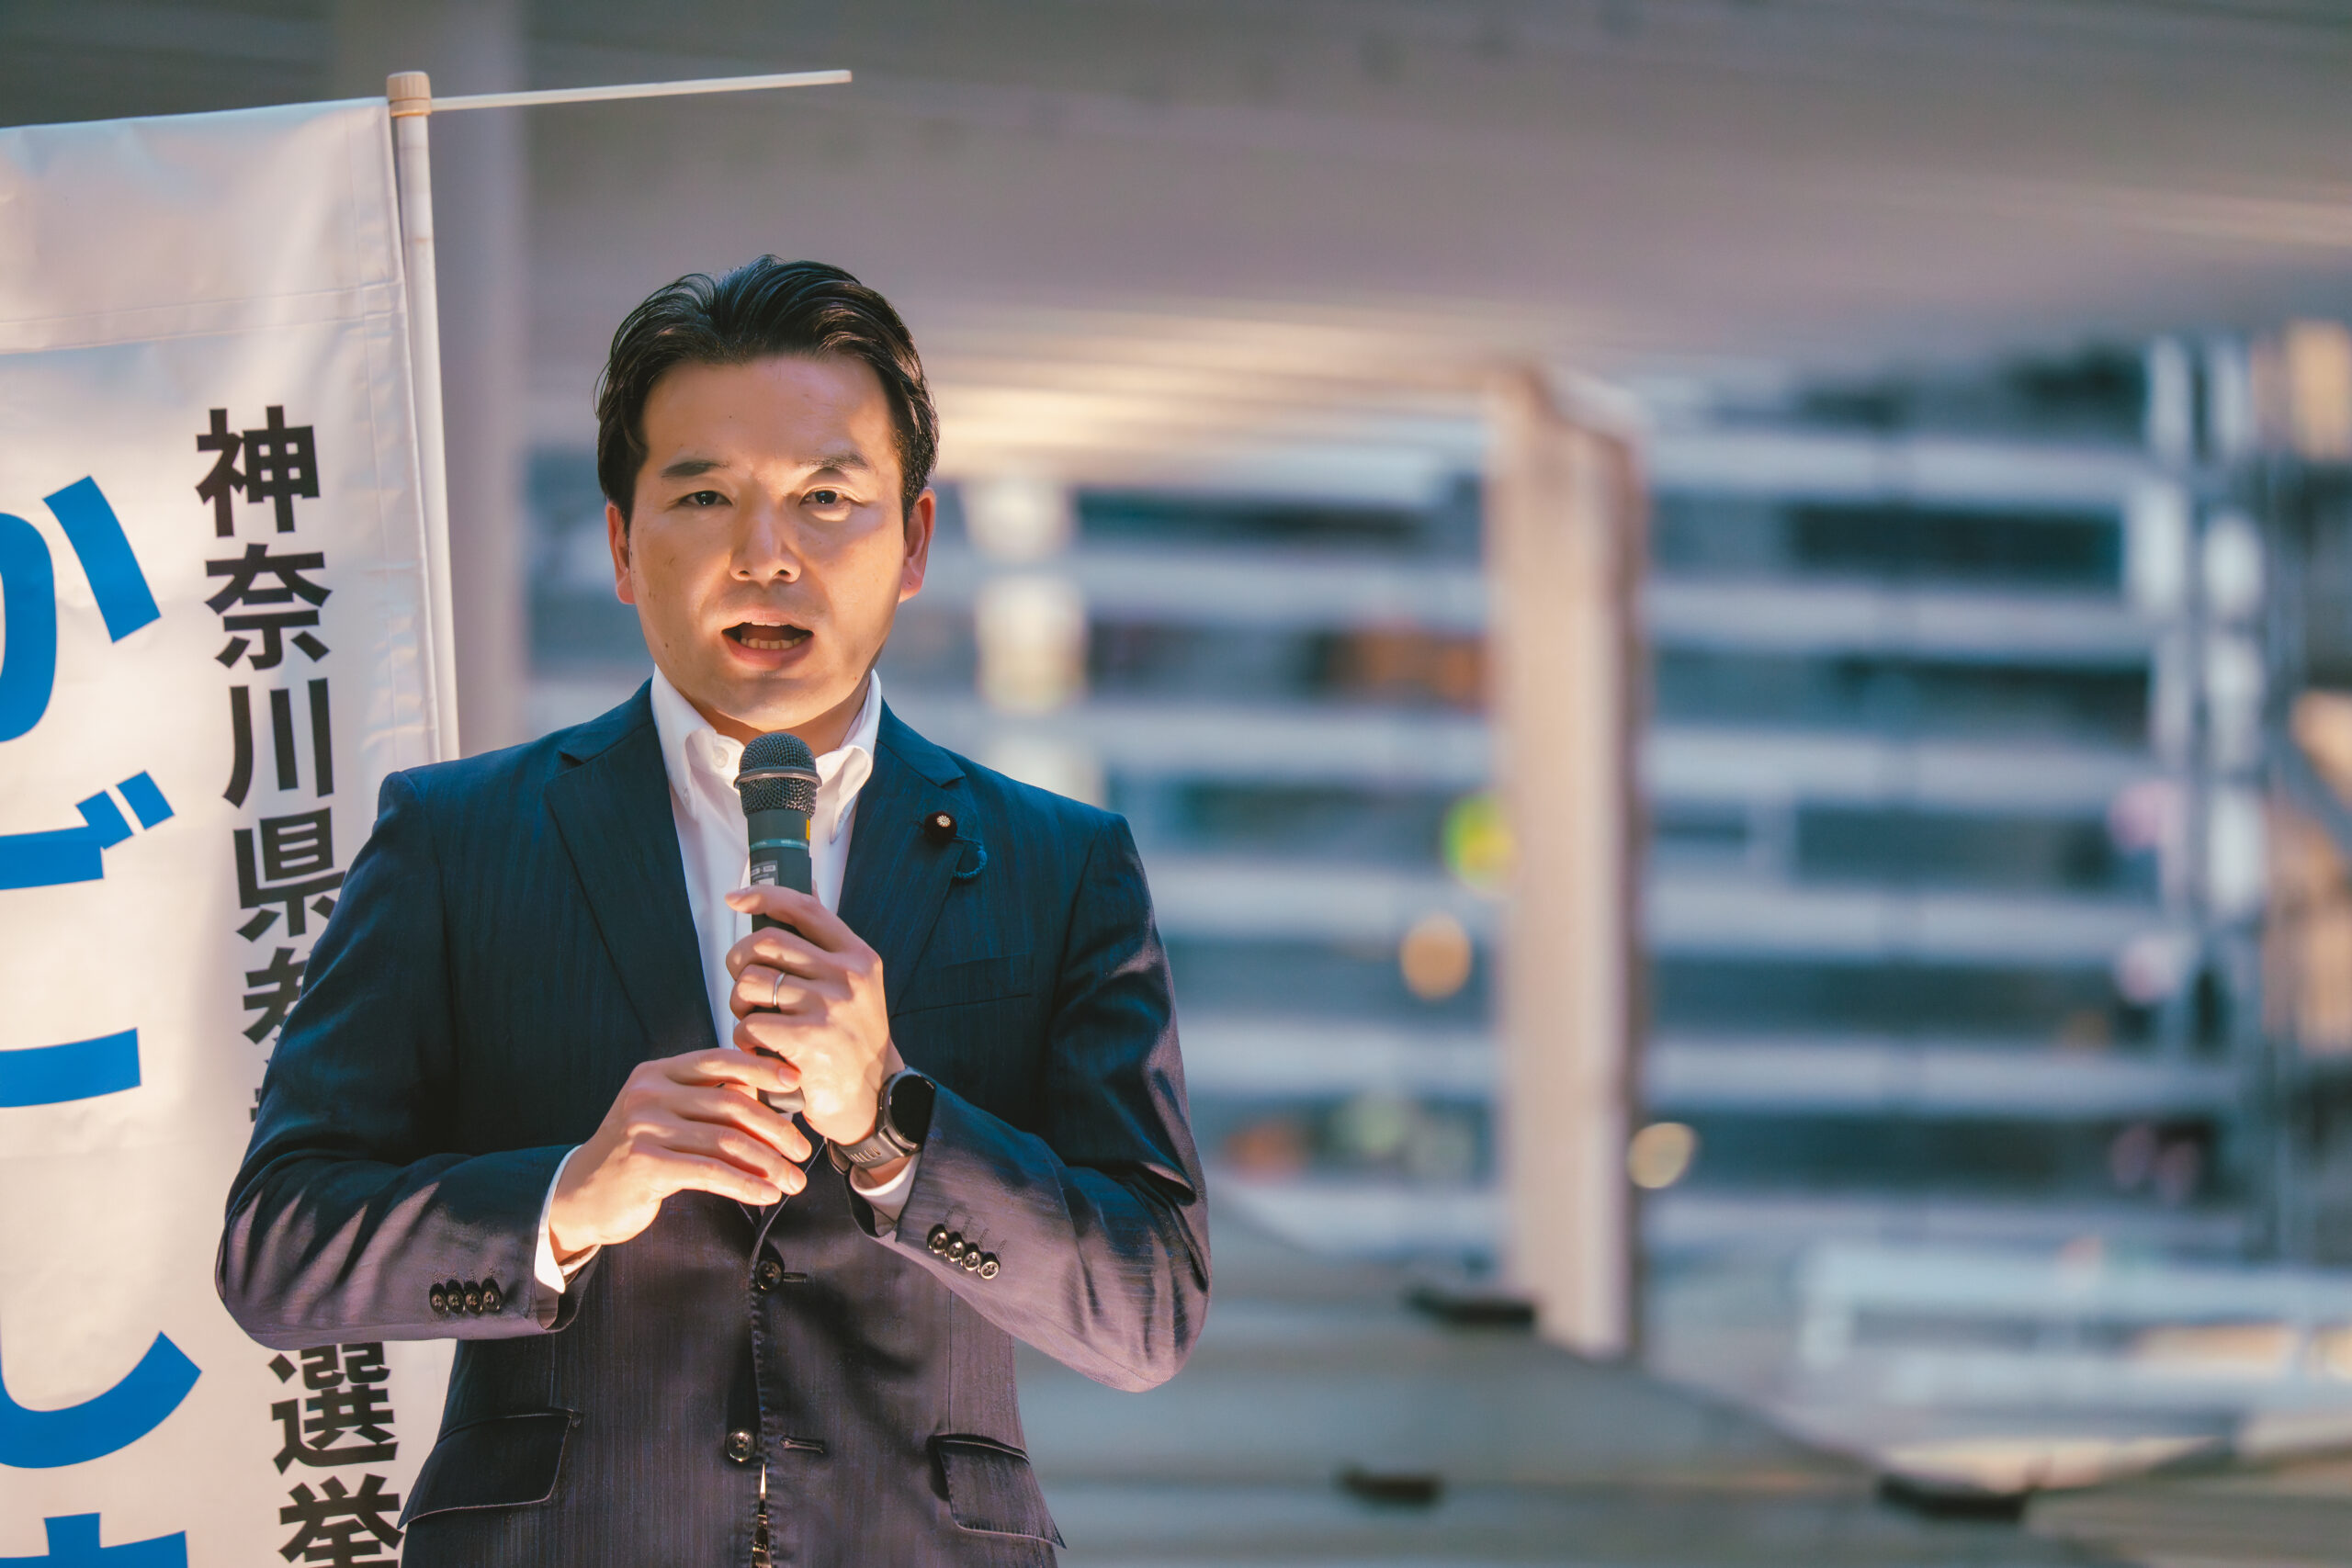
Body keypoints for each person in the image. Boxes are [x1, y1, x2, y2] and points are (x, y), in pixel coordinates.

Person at [218, 257, 1209, 1567]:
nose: (765, 555)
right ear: (624, 547)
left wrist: (892, 1124)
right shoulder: (457, 838)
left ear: (913, 542)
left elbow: (1148, 1310)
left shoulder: (1060, 865)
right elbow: (279, 1254)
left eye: (825, 498)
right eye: (703, 496)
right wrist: (569, 1196)